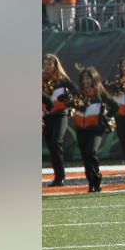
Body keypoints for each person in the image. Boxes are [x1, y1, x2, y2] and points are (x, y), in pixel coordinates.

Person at [69, 67, 116, 193]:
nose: (86, 81)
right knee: (85, 156)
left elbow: (115, 106)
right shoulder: (77, 92)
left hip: (95, 128)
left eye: (88, 78)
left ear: (94, 78)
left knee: (91, 152)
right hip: (81, 129)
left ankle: (97, 179)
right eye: (83, 78)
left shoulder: (100, 92)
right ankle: (91, 183)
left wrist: (106, 117)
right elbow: (69, 104)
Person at [42, 54, 78, 187]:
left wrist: (68, 96)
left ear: (55, 66)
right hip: (46, 115)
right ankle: (58, 176)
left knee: (56, 142)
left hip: (61, 114)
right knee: (51, 146)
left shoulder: (62, 79)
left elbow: (76, 90)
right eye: (45, 64)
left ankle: (60, 175)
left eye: (49, 64)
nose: (46, 67)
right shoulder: (40, 79)